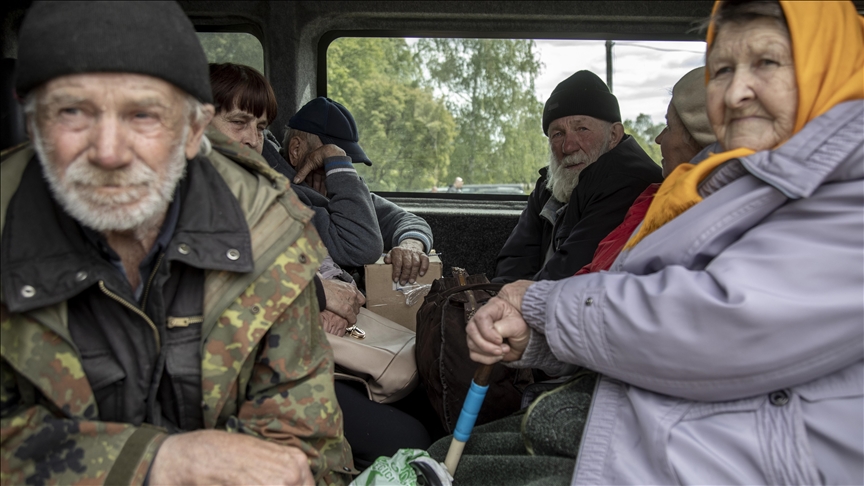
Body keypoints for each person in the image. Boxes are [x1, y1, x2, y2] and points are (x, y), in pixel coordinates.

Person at [435, 1, 864, 484]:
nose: (739, 91)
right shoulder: (731, 181)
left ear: (828, 63)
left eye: (767, 62)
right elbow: (632, 293)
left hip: (748, 456)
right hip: (685, 419)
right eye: (722, 70)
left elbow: (715, 323)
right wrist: (536, 336)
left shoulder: (850, 188)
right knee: (435, 460)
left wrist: (538, 306)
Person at [0, 2, 352, 485]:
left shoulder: (268, 231)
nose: (108, 152)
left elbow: (307, 446)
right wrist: (156, 463)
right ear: (34, 123)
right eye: (72, 112)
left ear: (193, 131)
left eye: (143, 115)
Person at [206, 64, 431, 470]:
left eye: (259, 128)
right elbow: (358, 245)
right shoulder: (227, 194)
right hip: (264, 356)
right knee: (410, 439)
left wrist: (410, 240)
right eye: (239, 123)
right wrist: (319, 295)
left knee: (427, 397)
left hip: (308, 335)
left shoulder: (266, 187)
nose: (253, 140)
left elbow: (400, 219)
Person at [493, 70, 663, 283]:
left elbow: (572, 273)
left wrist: (514, 304)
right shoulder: (550, 184)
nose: (568, 146)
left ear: (613, 135)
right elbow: (514, 259)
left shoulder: (628, 181)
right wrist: (501, 301)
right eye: (558, 134)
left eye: (581, 129)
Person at [575, 66, 717, 275]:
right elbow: (601, 270)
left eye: (668, 126)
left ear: (699, 140)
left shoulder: (705, 220)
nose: (658, 138)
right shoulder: (654, 197)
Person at [281, 97, 434, 288]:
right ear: (296, 150)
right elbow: (363, 247)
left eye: (344, 161)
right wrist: (338, 169)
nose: (337, 173)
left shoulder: (332, 187)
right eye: (329, 160)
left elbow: (406, 220)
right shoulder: (284, 197)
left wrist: (410, 244)